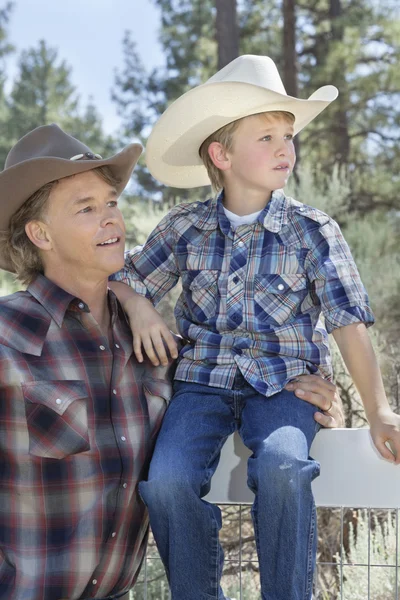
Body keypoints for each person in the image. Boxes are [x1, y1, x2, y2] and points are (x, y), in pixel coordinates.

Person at [109, 55, 400, 600]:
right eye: (266, 136)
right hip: (202, 385)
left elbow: (348, 319)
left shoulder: (313, 230)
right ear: (221, 154)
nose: (285, 148)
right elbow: (122, 280)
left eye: (288, 135)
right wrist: (140, 305)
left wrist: (379, 408)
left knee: (286, 467)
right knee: (168, 482)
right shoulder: (184, 228)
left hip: (286, 384)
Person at [0, 124, 175, 600]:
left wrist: (313, 392)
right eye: (86, 208)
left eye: (112, 204)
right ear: (40, 234)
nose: (111, 220)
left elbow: (231, 394)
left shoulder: (154, 343)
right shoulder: (6, 336)